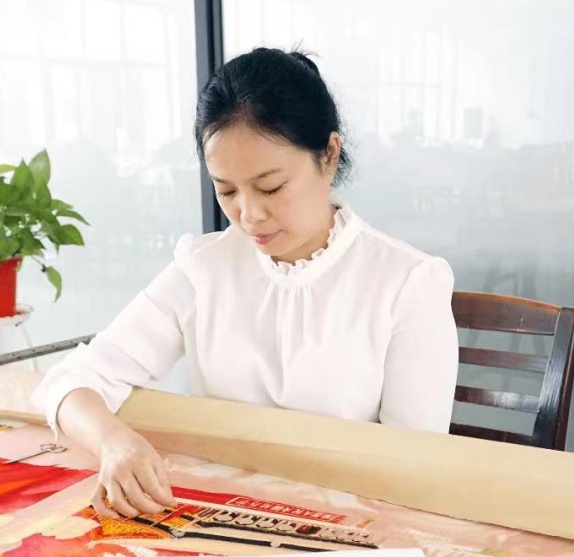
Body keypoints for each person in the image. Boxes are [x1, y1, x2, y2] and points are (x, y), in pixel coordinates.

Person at [34, 48, 458, 518]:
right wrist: (113, 441)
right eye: (227, 190)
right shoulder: (204, 267)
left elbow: (417, 468)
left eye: (271, 187)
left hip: (353, 527)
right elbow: (72, 380)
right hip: (215, 518)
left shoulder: (407, 283)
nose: (249, 215)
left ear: (329, 155)